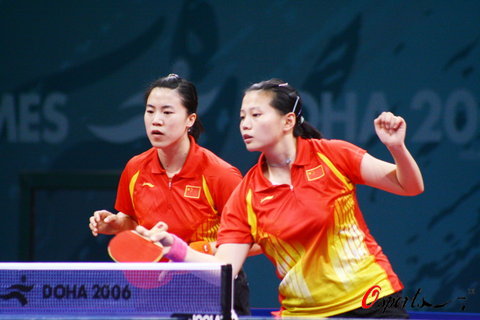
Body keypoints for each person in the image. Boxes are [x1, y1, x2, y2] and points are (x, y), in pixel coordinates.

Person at [136, 79, 424, 318]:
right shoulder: (246, 194)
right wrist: (175, 247)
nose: (245, 124)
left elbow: (409, 186)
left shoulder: (332, 156)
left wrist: (396, 148)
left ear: (288, 121)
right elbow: (224, 270)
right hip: (304, 313)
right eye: (242, 117)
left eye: (256, 115)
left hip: (371, 302)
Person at [88, 74, 251, 315]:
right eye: (150, 111)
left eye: (167, 112)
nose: (156, 120)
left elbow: (256, 238)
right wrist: (116, 223)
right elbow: (134, 221)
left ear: (190, 119)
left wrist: (199, 251)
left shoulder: (220, 175)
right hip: (154, 290)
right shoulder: (135, 168)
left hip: (210, 290)